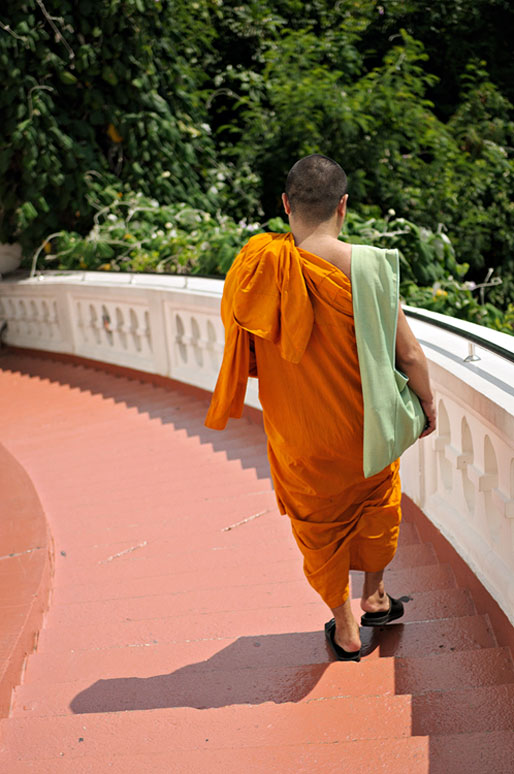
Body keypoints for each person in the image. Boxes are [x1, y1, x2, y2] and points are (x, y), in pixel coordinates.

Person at [205, 154, 436, 661]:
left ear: (286, 204)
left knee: (317, 526)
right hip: (363, 428)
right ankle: (375, 593)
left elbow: (246, 342)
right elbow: (410, 354)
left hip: (300, 433)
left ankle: (347, 625)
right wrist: (428, 404)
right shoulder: (370, 267)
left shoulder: (257, 265)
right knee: (378, 500)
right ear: (344, 207)